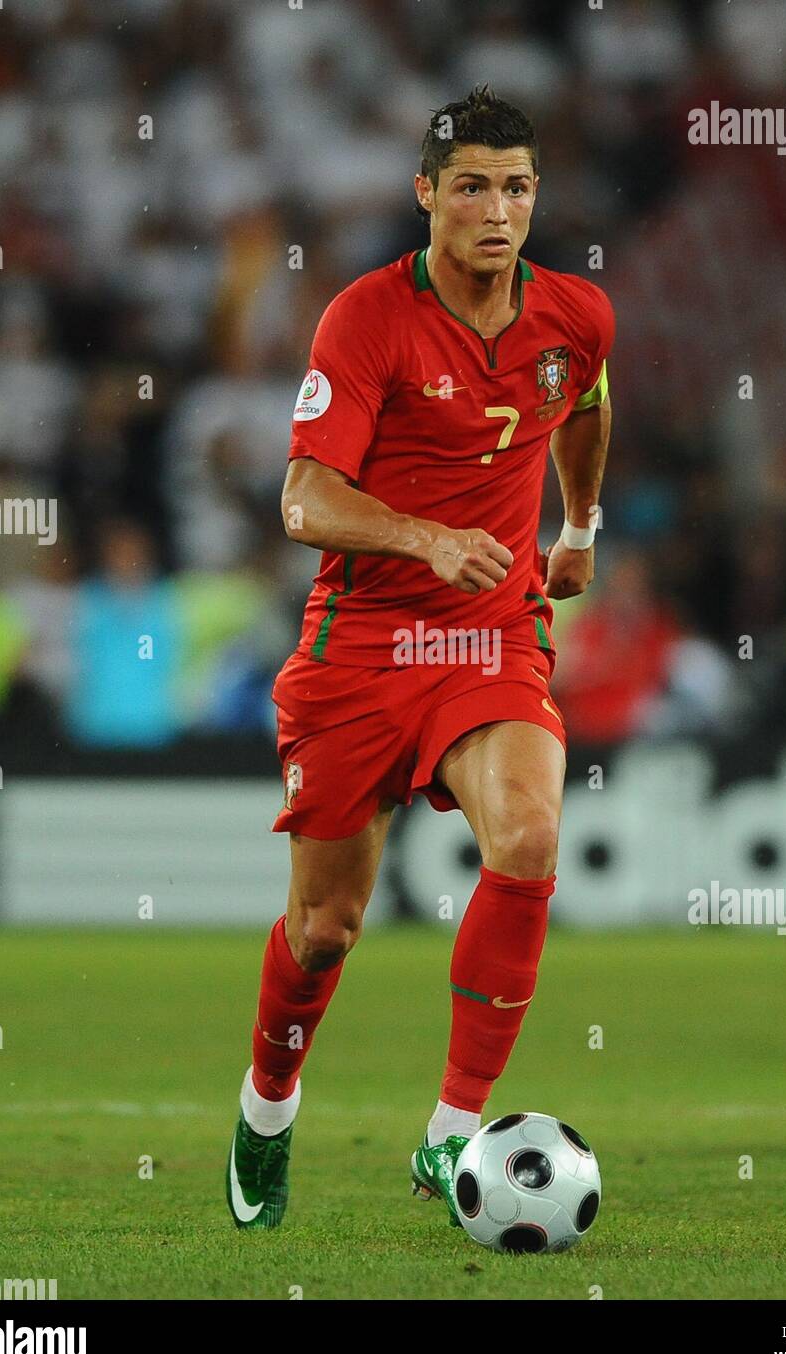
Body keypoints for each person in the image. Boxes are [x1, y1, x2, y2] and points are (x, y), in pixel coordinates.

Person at [226, 86, 614, 1230]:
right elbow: (302, 496)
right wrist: (423, 535)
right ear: (427, 197)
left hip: (490, 632)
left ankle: (450, 1139)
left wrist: (579, 523)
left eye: (517, 187)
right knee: (324, 929)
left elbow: (585, 401)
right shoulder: (366, 319)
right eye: (473, 187)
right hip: (361, 643)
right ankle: (265, 1111)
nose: (498, 210)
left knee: (532, 835)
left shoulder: (577, 314)